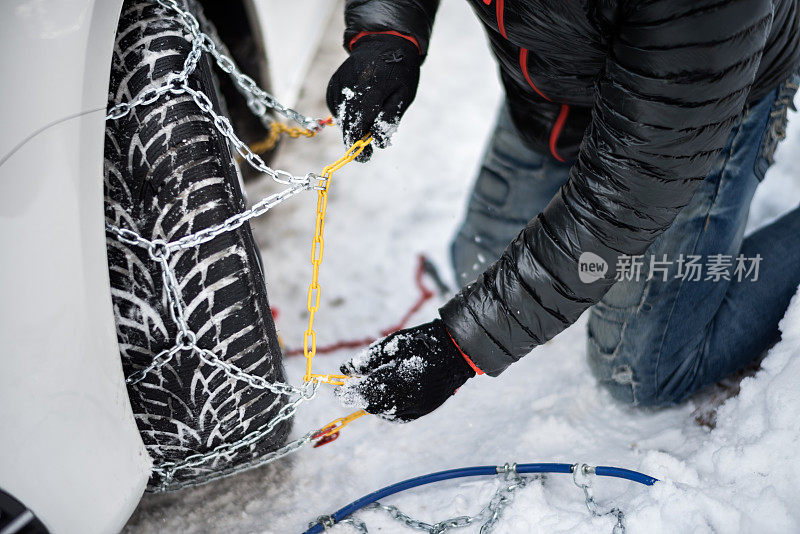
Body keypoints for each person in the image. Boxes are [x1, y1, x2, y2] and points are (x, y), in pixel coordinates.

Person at [326, 0, 800, 422]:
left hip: (702, 105)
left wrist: (458, 349)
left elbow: (620, 205)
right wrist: (388, 34)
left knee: (639, 372)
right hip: (552, 87)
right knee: (474, 266)